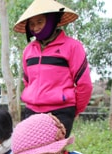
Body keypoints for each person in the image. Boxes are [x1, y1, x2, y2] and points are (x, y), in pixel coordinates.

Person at [14, 0, 92, 136]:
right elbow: (28, 82)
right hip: (31, 111)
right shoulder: (28, 50)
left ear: (52, 20)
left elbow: (84, 85)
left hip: (60, 111)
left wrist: (73, 110)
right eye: (31, 24)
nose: (35, 27)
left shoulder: (72, 47)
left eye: (40, 22)